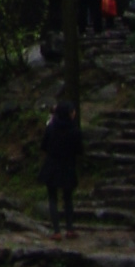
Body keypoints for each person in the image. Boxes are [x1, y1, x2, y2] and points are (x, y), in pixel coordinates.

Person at [41, 100, 85, 235]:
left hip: (52, 166)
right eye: (72, 111)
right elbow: (80, 150)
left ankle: (56, 231)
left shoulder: (51, 128)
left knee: (52, 198)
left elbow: (43, 146)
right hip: (68, 166)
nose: (74, 114)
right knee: (68, 198)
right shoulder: (74, 130)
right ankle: (70, 228)